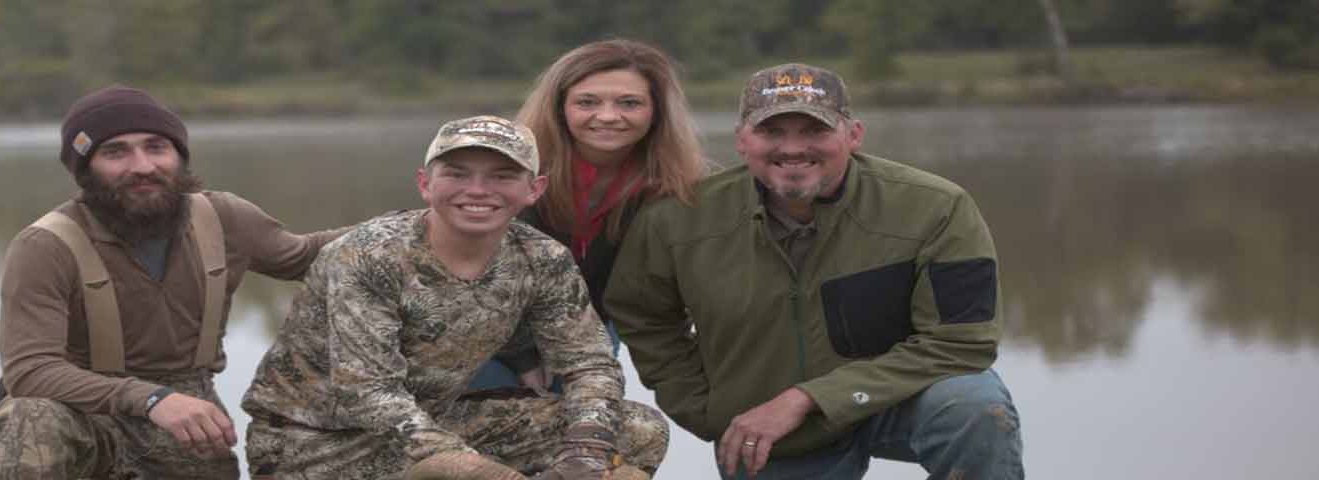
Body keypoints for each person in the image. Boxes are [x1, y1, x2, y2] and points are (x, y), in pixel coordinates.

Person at [604, 63, 1023, 479]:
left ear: (853, 135)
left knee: (973, 404)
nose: (792, 148)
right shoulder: (675, 218)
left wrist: (810, 397)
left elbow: (963, 342)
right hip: (767, 427)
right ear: (741, 140)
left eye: (814, 131)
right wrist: (705, 408)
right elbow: (643, 315)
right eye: (772, 132)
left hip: (898, 399)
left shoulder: (938, 207)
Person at [241, 115, 670, 479]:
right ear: (426, 184)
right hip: (317, 443)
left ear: (534, 190)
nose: (478, 190)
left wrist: (586, 457)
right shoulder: (368, 255)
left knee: (639, 429)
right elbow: (368, 395)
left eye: (502, 176)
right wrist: (486, 472)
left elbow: (590, 364)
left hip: (437, 420)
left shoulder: (543, 258)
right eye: (457, 173)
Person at [0, 86, 346, 479]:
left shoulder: (222, 218)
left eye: (156, 147)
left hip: (185, 420)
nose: (143, 166)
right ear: (85, 169)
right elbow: (30, 371)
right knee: (32, 417)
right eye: (116, 152)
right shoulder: (45, 245)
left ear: (179, 156)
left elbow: (306, 257)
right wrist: (149, 398)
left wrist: (408, 227)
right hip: (80, 413)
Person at [468, 38, 709, 393]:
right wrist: (521, 355)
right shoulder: (510, 174)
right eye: (587, 102)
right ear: (560, 107)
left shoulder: (676, 190)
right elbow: (464, 277)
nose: (609, 116)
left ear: (656, 111)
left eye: (629, 103)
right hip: (486, 338)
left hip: (588, 335)